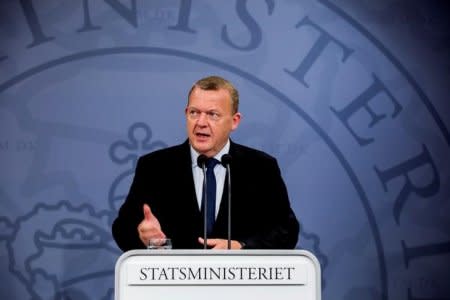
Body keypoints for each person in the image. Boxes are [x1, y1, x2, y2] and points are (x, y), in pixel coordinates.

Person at [112, 75, 299, 251]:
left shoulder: (260, 167)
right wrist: (143, 236)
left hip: (238, 282)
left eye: (213, 114)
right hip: (176, 283)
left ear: (234, 121)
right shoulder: (155, 167)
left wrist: (241, 246)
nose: (201, 122)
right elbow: (122, 229)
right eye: (194, 112)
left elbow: (286, 231)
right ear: (186, 114)